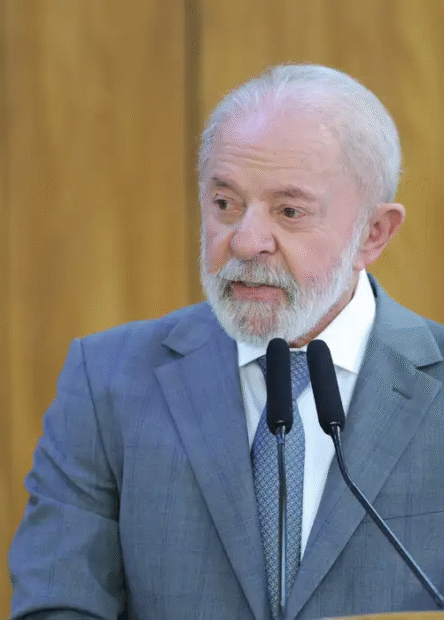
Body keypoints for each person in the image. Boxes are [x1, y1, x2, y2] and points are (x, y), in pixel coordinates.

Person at [9, 64, 444, 620]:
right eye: (224, 204)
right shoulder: (106, 382)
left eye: (289, 211)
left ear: (374, 233)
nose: (245, 241)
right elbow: (57, 605)